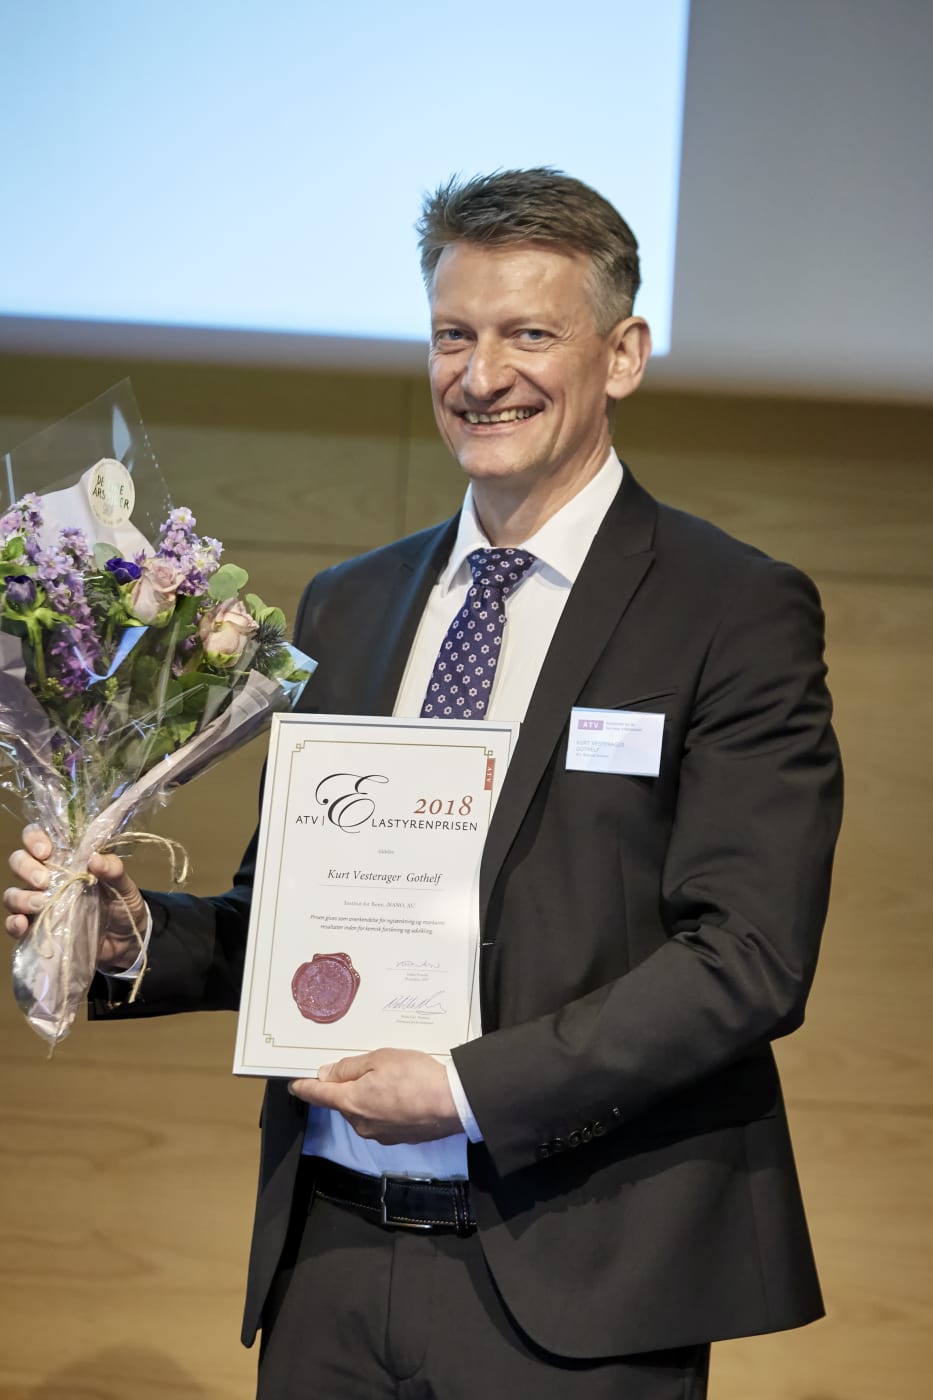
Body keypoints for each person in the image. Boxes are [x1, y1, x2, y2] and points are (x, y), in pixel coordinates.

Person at [5, 169, 843, 1399]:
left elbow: (750, 956)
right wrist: (131, 934)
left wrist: (463, 1087)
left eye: (529, 333)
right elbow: (291, 925)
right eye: (454, 333)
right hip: (331, 1260)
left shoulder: (732, 609)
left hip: (578, 1282)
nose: (481, 372)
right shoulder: (353, 601)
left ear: (623, 355)